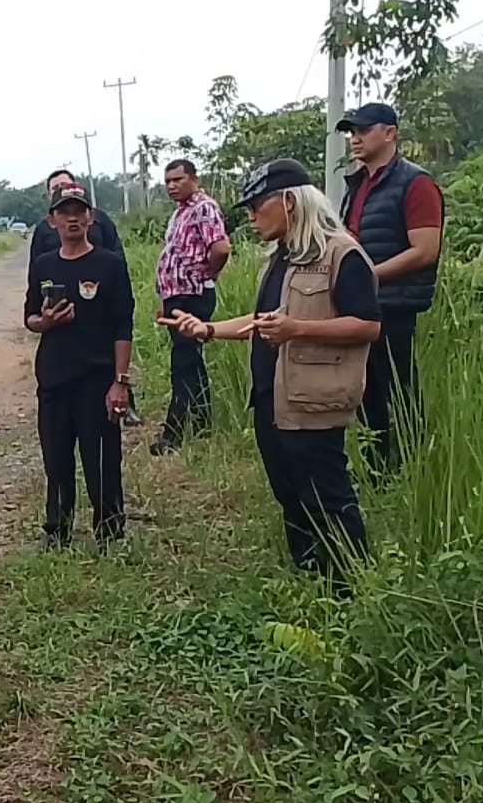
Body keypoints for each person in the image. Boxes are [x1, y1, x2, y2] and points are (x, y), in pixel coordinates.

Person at [160, 160, 378, 595]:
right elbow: (263, 321)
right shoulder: (280, 258)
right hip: (271, 397)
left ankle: (351, 587)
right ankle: (310, 577)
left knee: (327, 496)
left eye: (259, 207)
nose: (251, 217)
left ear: (290, 201)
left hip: (314, 400)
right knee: (290, 493)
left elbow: (367, 325)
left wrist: (299, 329)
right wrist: (206, 329)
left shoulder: (342, 253)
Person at [25, 183, 135, 549]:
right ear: (52, 220)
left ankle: (110, 532)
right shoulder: (44, 265)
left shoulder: (110, 264)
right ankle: (57, 531)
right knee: (56, 462)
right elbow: (30, 318)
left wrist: (120, 382)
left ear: (90, 217)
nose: (72, 217)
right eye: (64, 212)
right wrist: (47, 321)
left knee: (102, 460)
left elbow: (123, 325)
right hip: (54, 378)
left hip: (97, 377)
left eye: (79, 211)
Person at [337, 102, 442, 475]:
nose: (355, 139)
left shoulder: (416, 183)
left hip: (395, 305)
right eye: (352, 132)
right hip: (364, 304)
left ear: (390, 132)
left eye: (363, 130)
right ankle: (380, 466)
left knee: (400, 389)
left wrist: (370, 276)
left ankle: (412, 468)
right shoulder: (358, 185)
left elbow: (425, 250)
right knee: (367, 391)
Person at [152, 159, 230, 454]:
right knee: (191, 362)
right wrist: (163, 298)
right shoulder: (179, 214)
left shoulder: (203, 208)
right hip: (176, 296)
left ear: (194, 179)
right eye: (168, 181)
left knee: (183, 364)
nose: (172, 185)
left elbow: (220, 248)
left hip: (192, 295)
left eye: (178, 179)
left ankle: (173, 434)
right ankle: (201, 425)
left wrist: (206, 273)